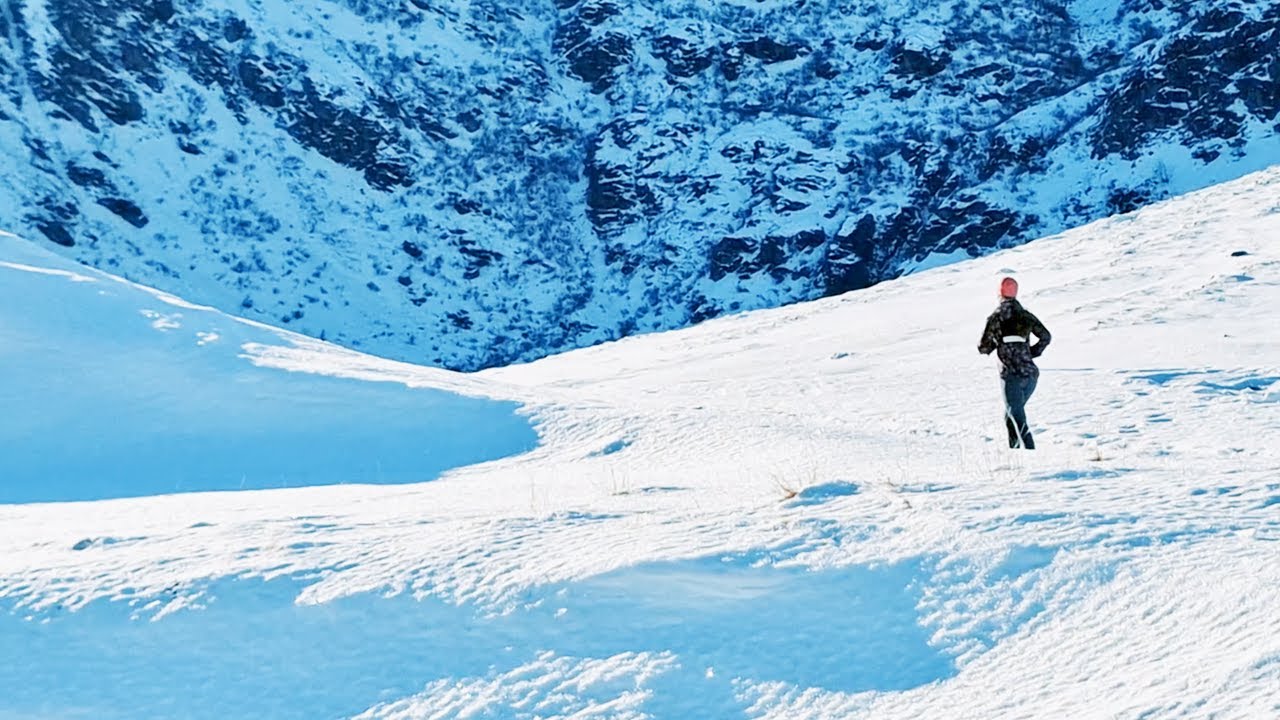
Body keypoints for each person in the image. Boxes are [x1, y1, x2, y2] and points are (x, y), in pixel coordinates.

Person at [978, 277, 1051, 449]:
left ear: (999, 294)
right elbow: (1046, 337)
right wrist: (1031, 353)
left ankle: (1030, 454)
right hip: (1031, 375)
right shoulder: (1026, 315)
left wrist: (997, 343)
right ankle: (1016, 454)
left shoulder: (996, 317)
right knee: (1011, 414)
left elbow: (983, 346)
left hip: (1011, 375)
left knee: (1016, 416)